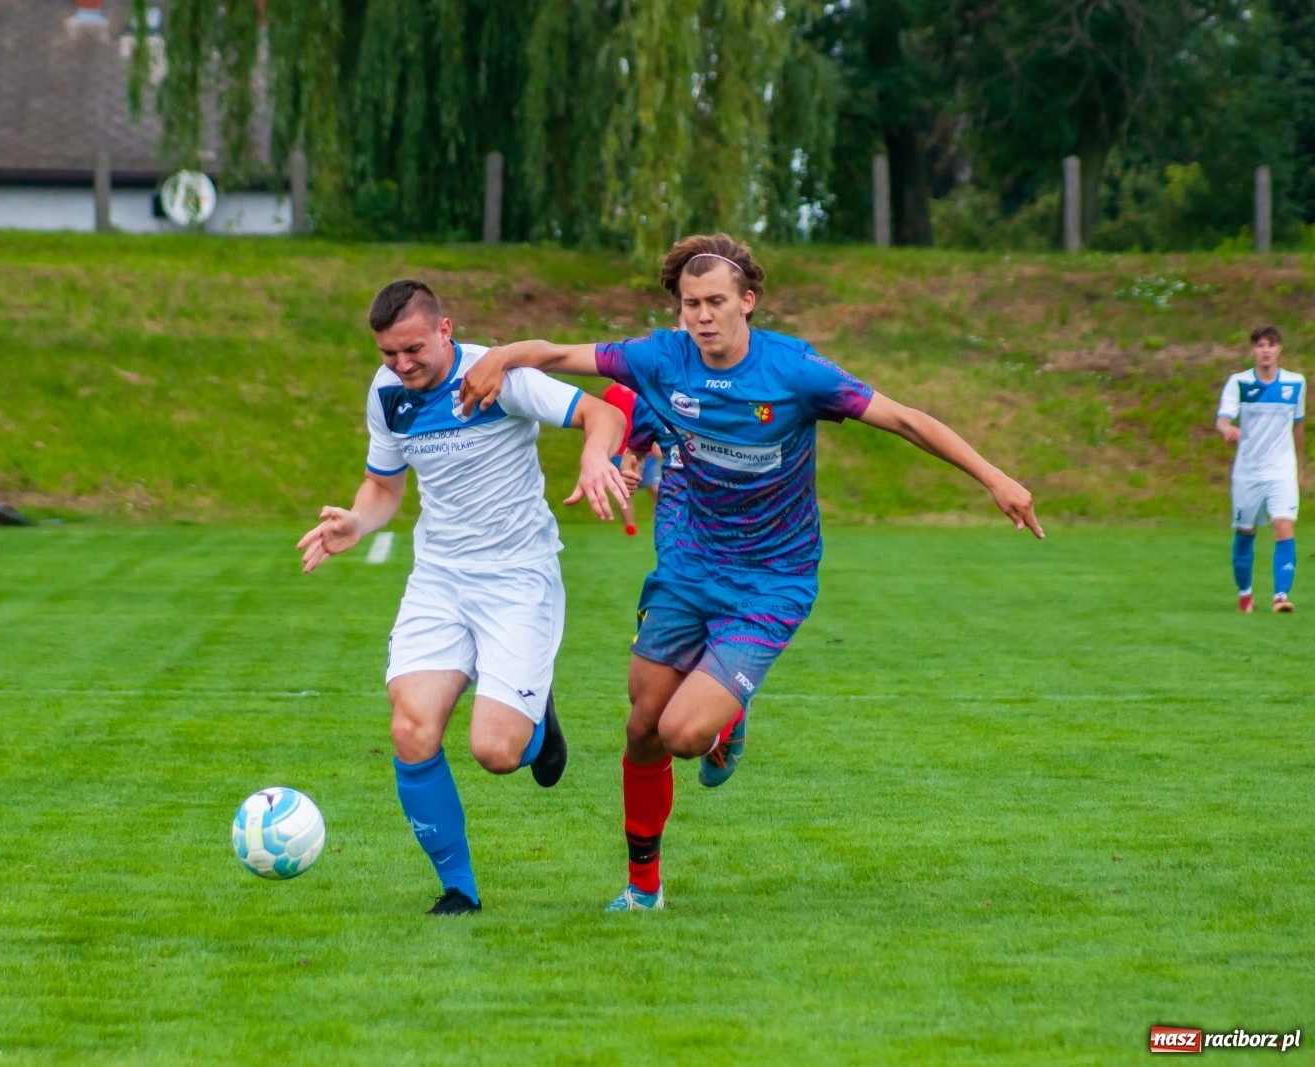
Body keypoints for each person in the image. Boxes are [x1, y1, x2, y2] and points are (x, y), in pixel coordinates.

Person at [457, 233, 1043, 912]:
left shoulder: (795, 372)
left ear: (747, 302)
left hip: (772, 581)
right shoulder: (662, 357)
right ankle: (643, 887)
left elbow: (905, 420)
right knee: (643, 724)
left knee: (683, 734)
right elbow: (562, 355)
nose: (702, 316)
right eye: (689, 304)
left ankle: (726, 723)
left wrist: (995, 477)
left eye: (714, 302)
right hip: (686, 570)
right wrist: (500, 356)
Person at [297, 280, 630, 916]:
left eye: (413, 349)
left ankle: (537, 725)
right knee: (410, 728)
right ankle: (459, 890)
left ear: (446, 330)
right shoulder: (387, 392)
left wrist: (594, 458)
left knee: (496, 752)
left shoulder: (496, 375)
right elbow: (382, 487)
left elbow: (604, 414)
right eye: (388, 353)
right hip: (440, 580)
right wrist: (354, 525)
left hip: (516, 580)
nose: (400, 365)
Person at [1216, 325, 1305, 613]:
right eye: (1260, 345)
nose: (1265, 350)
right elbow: (1223, 418)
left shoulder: (1295, 383)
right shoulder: (1239, 383)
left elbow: (1299, 424)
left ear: (1279, 349)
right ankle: (1245, 593)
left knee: (1283, 525)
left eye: (1271, 344)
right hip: (1248, 472)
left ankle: (1280, 596)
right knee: (1246, 531)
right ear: (1253, 350)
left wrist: (1300, 466)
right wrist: (1227, 429)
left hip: (1281, 470)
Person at [602, 382, 666, 536]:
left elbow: (655, 418)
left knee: (657, 489)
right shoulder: (611, 393)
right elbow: (606, 421)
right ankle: (630, 527)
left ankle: (663, 521)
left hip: (646, 449)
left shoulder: (644, 389)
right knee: (625, 491)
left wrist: (657, 442)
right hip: (620, 450)